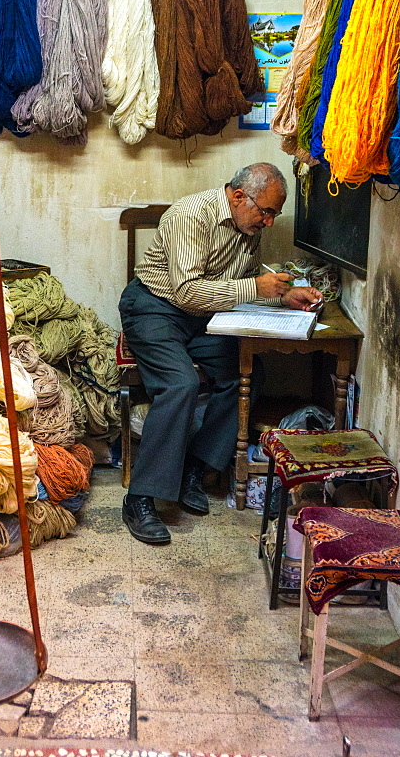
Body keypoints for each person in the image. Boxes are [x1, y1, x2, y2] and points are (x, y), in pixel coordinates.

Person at [118, 162, 323, 545]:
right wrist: (257, 287)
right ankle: (140, 499)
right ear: (238, 195)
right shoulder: (191, 215)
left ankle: (195, 468)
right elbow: (188, 292)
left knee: (246, 373)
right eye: (266, 212)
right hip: (155, 307)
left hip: (203, 316)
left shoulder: (248, 225)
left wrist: (282, 296)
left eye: (274, 214)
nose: (269, 222)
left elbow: (236, 287)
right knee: (179, 384)